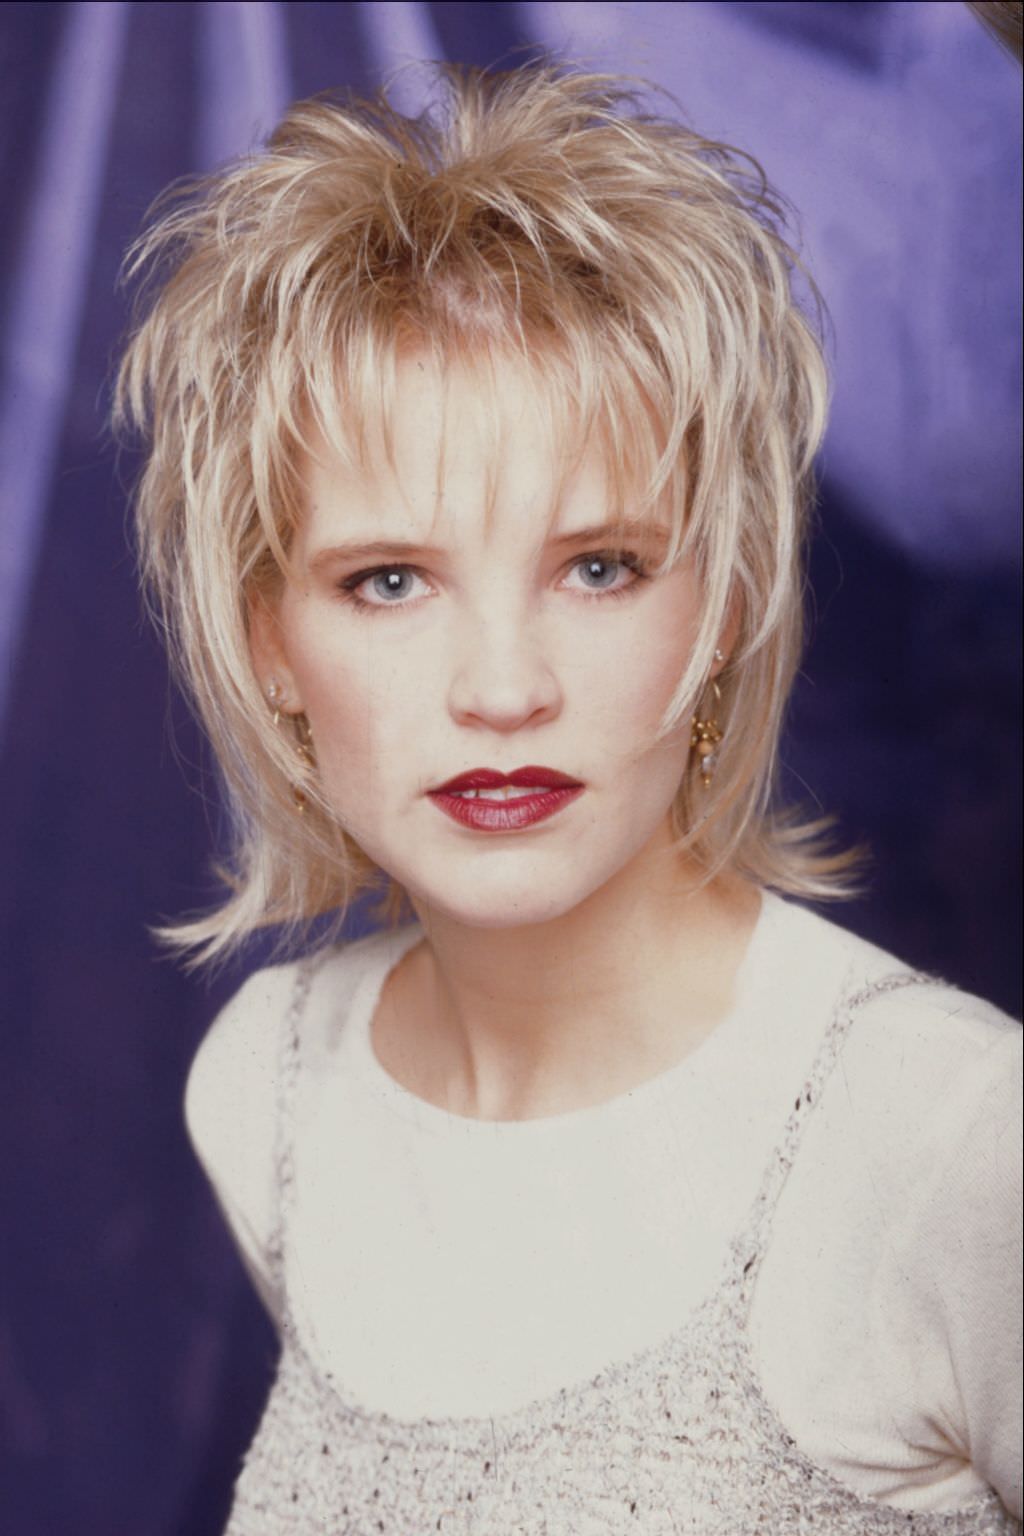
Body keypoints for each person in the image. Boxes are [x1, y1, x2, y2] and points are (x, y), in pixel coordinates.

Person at [114, 63, 1022, 1535]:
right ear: (271, 640)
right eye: (389, 580)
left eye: (599, 567)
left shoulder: (952, 1140)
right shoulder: (269, 1085)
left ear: (724, 602)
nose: (502, 687)